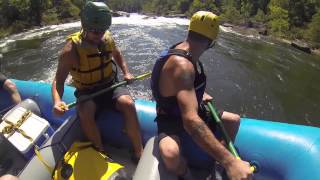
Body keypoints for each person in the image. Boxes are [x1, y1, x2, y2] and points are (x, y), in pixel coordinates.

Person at [151, 11, 252, 179]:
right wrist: (230, 161)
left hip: (191, 107)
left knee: (233, 120)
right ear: (211, 42)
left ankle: (217, 168)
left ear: (190, 31)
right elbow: (190, 121)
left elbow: (181, 83)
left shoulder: (185, 50)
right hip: (170, 118)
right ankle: (187, 174)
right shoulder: (183, 65)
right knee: (171, 155)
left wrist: (199, 92)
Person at [51, 1, 143, 160]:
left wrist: (126, 72)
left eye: (103, 30)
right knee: (85, 113)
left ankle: (138, 151)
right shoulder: (70, 50)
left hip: (110, 85)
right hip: (87, 91)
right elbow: (58, 81)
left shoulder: (107, 38)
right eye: (95, 31)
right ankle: (101, 152)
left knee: (128, 104)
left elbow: (118, 55)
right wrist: (57, 101)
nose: (99, 35)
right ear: (85, 26)